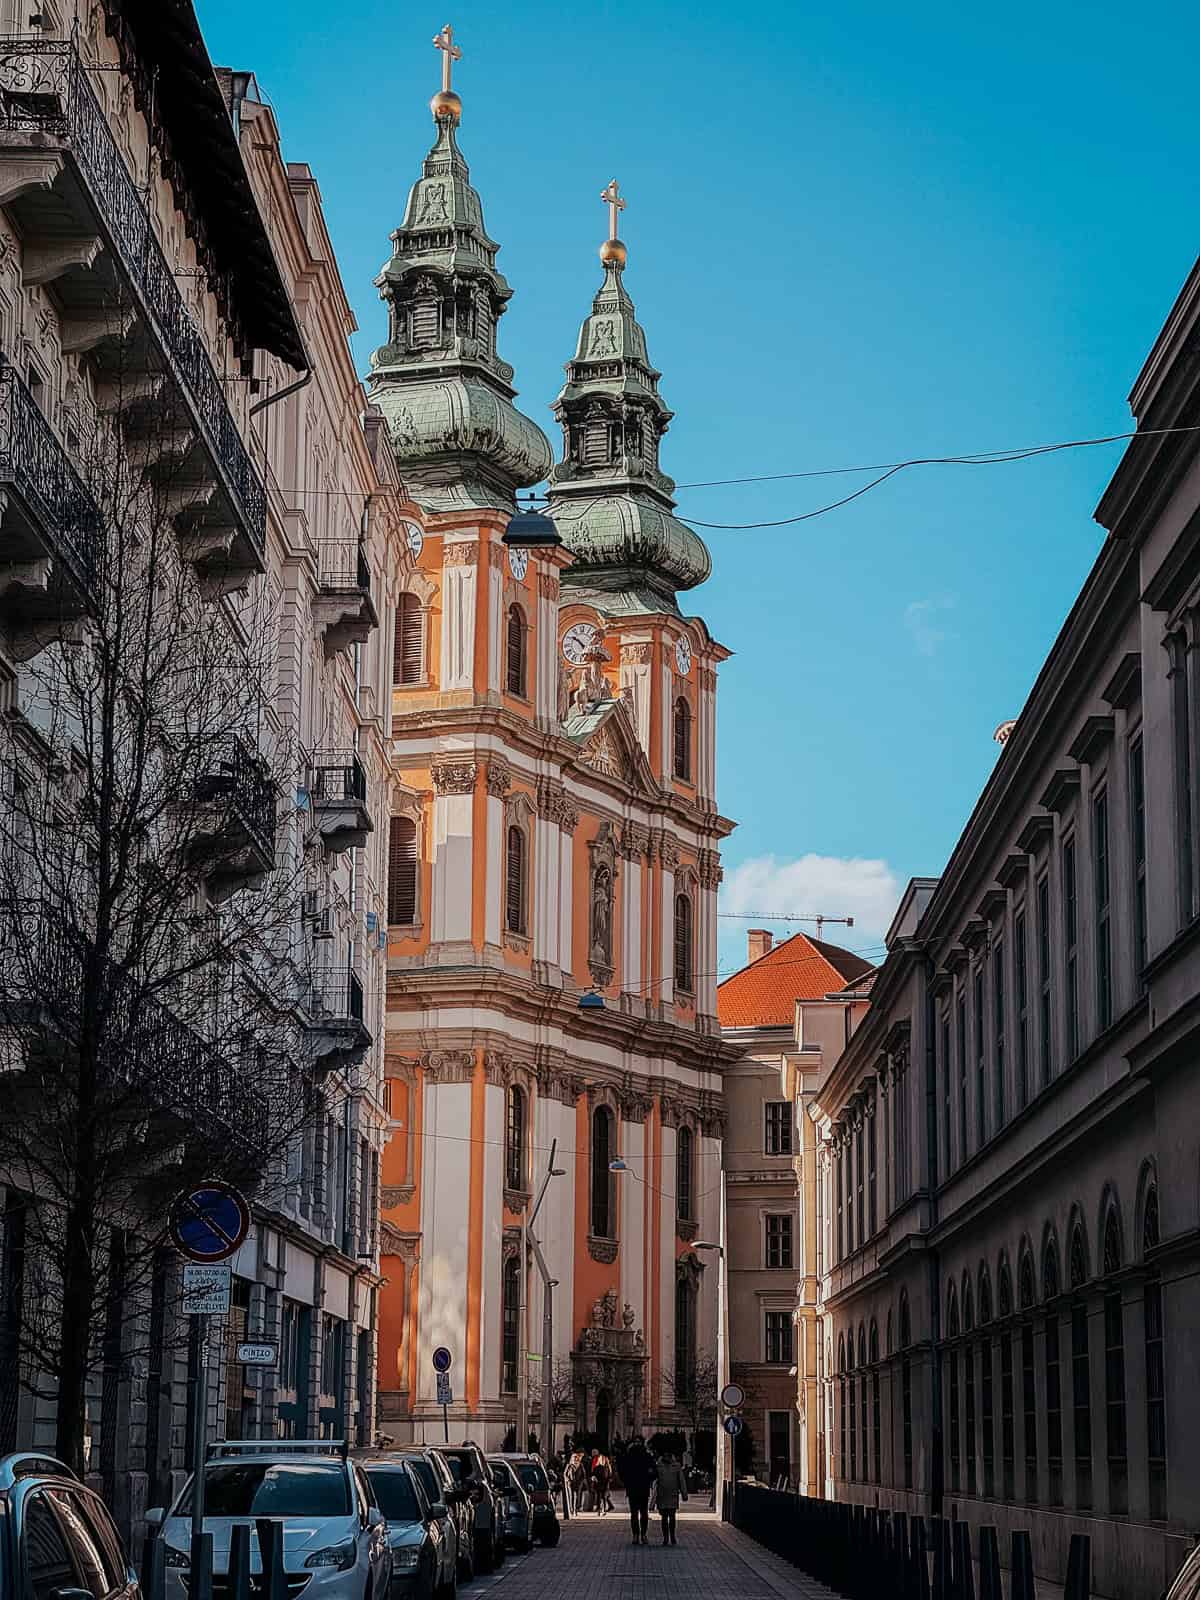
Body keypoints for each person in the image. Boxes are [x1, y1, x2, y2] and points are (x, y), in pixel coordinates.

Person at [621, 1437, 655, 1545]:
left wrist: (627, 1482)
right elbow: (653, 1472)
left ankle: (638, 1535)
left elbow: (622, 1472)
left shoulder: (630, 1456)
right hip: (641, 1488)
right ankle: (641, 1535)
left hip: (635, 1488)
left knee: (637, 1513)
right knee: (640, 1513)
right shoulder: (645, 1456)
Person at [655, 1451, 688, 1546]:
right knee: (664, 1517)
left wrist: (684, 1494)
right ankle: (665, 1537)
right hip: (662, 1495)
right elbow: (654, 1481)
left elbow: (681, 1480)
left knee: (672, 1516)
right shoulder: (658, 1466)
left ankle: (672, 1536)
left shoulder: (676, 1466)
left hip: (673, 1495)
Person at [590, 1448, 613, 1516]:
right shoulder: (604, 1458)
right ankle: (602, 1509)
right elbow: (609, 1469)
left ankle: (601, 1509)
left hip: (601, 1480)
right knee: (603, 1495)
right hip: (603, 1480)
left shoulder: (596, 1460)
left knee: (600, 1495)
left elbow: (592, 1470)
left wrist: (593, 1478)